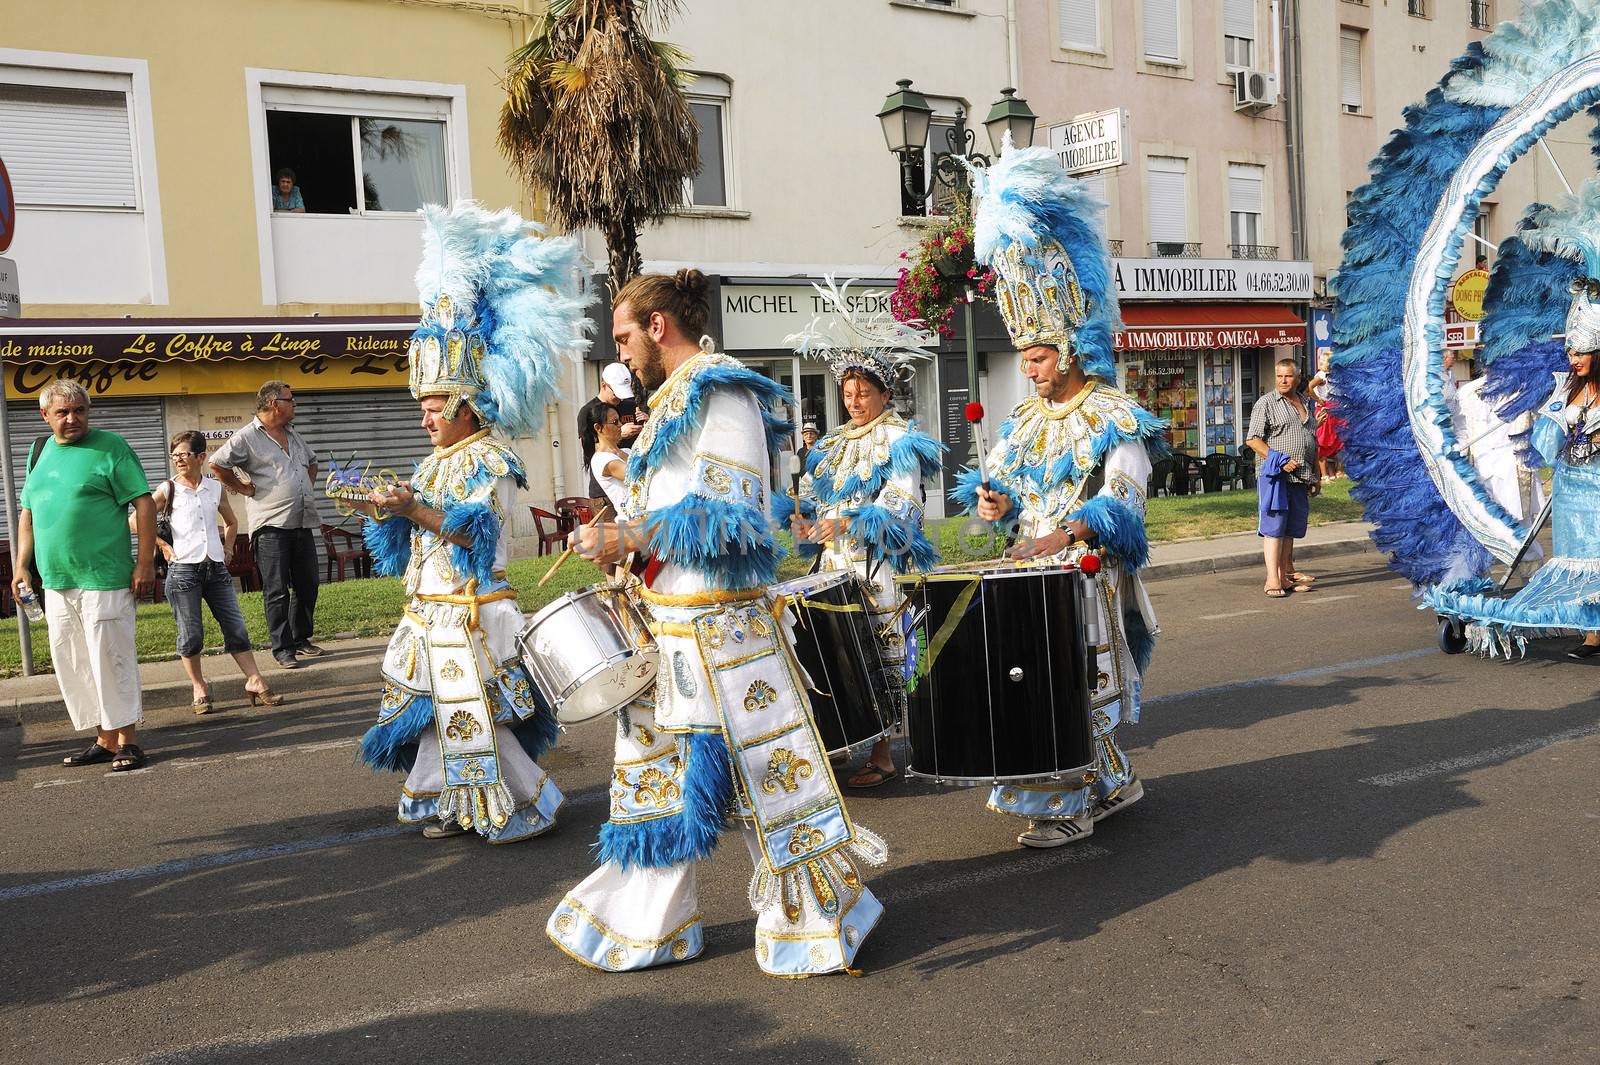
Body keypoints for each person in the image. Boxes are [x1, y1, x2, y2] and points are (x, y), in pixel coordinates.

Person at [547, 268, 886, 977]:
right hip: (665, 626)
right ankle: (649, 921)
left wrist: (629, 539)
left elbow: (732, 512)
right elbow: (668, 506)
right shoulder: (669, 400)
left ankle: (816, 921)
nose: (622, 352)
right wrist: (618, 537)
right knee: (653, 781)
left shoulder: (723, 387)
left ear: (658, 326)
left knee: (770, 781)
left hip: (725, 632)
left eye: (623, 335)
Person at [951, 137, 1166, 849]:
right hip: (1031, 567)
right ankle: (1114, 780)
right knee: (1028, 679)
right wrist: (999, 507)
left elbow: (1126, 500)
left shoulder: (1114, 413)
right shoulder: (1022, 419)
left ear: (1069, 351)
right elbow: (1010, 493)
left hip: (1083, 574)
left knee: (1064, 686)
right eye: (1025, 359)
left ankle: (1070, 802)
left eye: (1039, 357)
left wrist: (1067, 532)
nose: (1031, 370)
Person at [354, 202, 586, 841]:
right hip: (430, 607)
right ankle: (437, 799)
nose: (425, 419)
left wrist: (415, 510)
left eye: (436, 407)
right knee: (439, 715)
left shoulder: (490, 458)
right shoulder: (431, 464)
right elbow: (410, 542)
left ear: (466, 407)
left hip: (473, 608)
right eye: (422, 407)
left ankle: (524, 803)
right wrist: (389, 514)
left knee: (469, 715)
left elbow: (476, 534)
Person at [785, 279, 944, 788]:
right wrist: (803, 519)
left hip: (877, 568)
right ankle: (839, 737)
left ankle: (882, 752)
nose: (854, 400)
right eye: (847, 392)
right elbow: (814, 497)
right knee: (834, 652)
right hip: (832, 566)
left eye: (863, 392)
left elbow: (903, 506)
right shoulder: (829, 445)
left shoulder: (901, 440)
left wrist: (848, 522)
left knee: (878, 652)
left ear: (883, 393)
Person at [12, 380, 157, 772]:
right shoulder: (38, 451)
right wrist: (21, 565)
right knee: (74, 663)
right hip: (56, 580)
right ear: (45, 416)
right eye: (62, 412)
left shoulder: (112, 447)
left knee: (111, 659)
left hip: (104, 576)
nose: (72, 418)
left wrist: (145, 563)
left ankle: (128, 740)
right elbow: (29, 513)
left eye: (79, 410)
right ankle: (104, 739)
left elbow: (144, 505)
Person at [146, 431, 282, 713]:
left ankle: (255, 680)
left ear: (201, 457)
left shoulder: (215, 487)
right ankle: (199, 687)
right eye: (175, 456)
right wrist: (163, 546)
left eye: (184, 454)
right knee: (191, 635)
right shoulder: (168, 489)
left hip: (216, 570)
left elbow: (231, 521)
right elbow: (136, 521)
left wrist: (229, 548)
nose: (179, 460)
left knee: (236, 628)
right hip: (183, 572)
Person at [209, 381, 323, 669]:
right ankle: (282, 648)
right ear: (275, 403)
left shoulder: (292, 433)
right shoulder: (247, 437)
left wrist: (304, 487)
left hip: (302, 521)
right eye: (291, 400)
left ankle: (301, 638)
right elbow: (217, 464)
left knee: (308, 584)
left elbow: (312, 462)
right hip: (271, 525)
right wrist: (242, 488)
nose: (294, 405)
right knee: (277, 589)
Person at [1246, 359, 1322, 598]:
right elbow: (1253, 440)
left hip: (1301, 476)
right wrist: (1278, 459)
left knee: (1290, 529)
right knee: (1274, 528)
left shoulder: (1305, 402)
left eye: (1288, 376)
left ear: (1297, 378)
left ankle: (1285, 578)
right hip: (1275, 476)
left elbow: (1311, 439)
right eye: (1279, 376)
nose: (1283, 381)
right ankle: (1271, 580)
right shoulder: (1266, 403)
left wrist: (1316, 474)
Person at [577, 361, 642, 499]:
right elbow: (588, 448)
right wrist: (620, 435)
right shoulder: (588, 412)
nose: (619, 397)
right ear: (604, 385)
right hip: (606, 491)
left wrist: (647, 426)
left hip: (633, 488)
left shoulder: (630, 405)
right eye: (614, 422)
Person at [586, 401, 630, 514]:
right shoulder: (601, 460)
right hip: (632, 520)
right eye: (615, 422)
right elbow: (636, 475)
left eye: (620, 421)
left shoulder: (626, 451)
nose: (620, 425)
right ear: (598, 428)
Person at [1308, 351, 1344, 483]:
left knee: (1340, 440)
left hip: (1337, 408)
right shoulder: (1321, 375)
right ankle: (1324, 475)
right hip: (1326, 409)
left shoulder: (1337, 374)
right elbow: (1309, 387)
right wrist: (1318, 399)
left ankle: (1338, 470)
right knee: (1323, 442)